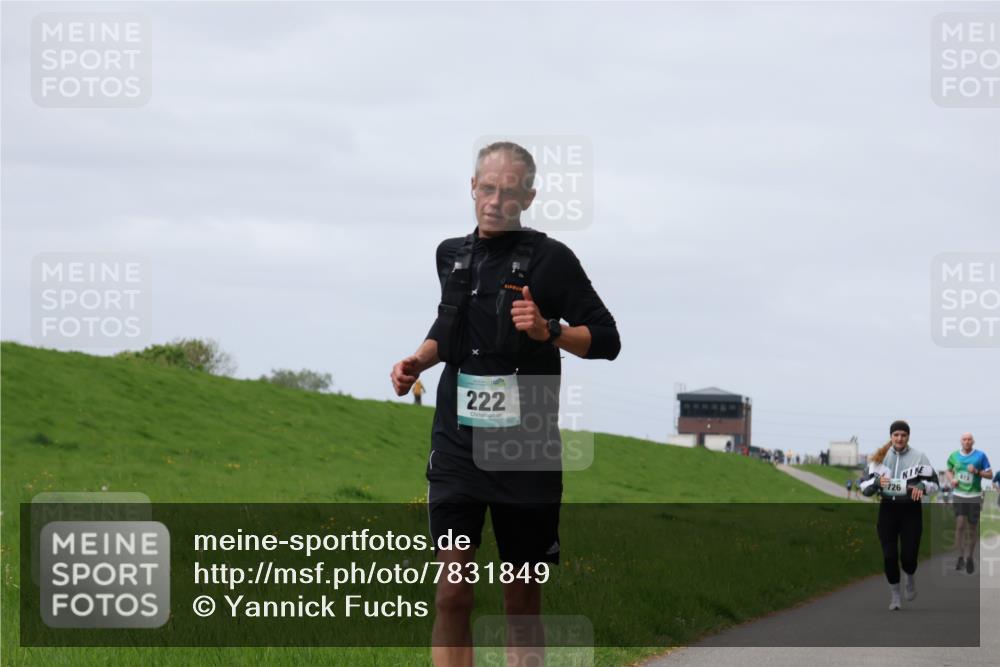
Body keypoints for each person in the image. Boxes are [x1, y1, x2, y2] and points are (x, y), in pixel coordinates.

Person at [390, 141, 620, 667]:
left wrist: (550, 330)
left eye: (509, 192)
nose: (495, 201)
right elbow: (449, 328)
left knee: (520, 602)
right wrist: (418, 362)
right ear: (472, 188)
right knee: (452, 591)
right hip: (457, 445)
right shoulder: (451, 254)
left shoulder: (553, 260)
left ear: (529, 197)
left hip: (526, 449)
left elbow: (608, 339)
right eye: (487, 188)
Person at [859, 420, 939, 610]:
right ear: (891, 437)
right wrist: (876, 484)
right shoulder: (879, 459)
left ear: (908, 437)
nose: (900, 438)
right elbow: (863, 486)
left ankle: (910, 578)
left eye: (903, 435)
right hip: (888, 510)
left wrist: (922, 486)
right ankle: (895, 596)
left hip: (911, 510)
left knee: (909, 557)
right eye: (896, 435)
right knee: (889, 556)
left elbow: (935, 484)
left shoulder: (919, 457)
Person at [945, 432, 993, 574]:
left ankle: (970, 557)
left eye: (969, 439)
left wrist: (977, 471)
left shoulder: (980, 456)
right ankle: (960, 557)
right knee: (960, 524)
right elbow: (948, 470)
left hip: (975, 496)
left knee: (972, 528)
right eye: (964, 439)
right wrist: (951, 479)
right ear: (961, 441)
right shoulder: (954, 455)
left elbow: (990, 474)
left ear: (973, 441)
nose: (967, 441)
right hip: (959, 495)